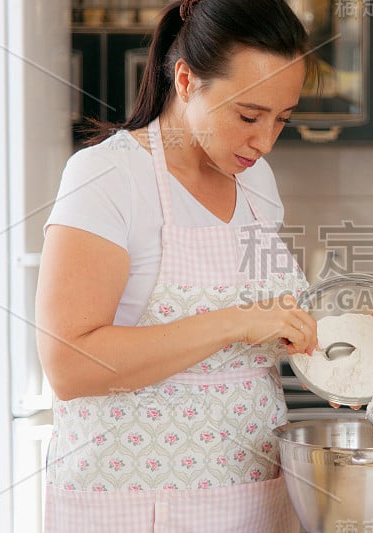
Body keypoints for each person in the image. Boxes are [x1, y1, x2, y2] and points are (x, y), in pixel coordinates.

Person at [36, 0, 318, 530]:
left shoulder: (256, 183)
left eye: (282, 119)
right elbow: (69, 366)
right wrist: (237, 321)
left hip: (253, 500)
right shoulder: (108, 176)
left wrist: (331, 345)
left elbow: (264, 332)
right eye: (248, 115)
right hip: (138, 507)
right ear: (186, 80)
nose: (264, 141)